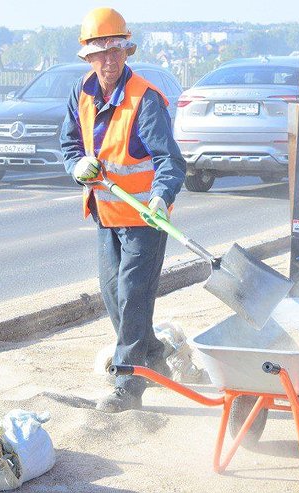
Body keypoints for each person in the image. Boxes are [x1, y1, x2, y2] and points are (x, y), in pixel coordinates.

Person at [60, 7, 186, 413]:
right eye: (101, 53)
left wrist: (160, 198)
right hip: (107, 216)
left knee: (133, 295)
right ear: (89, 57)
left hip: (145, 219)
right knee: (112, 294)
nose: (110, 61)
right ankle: (153, 353)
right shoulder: (81, 94)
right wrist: (76, 166)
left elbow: (170, 161)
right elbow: (70, 147)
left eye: (117, 51)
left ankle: (128, 384)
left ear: (126, 52)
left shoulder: (145, 100)